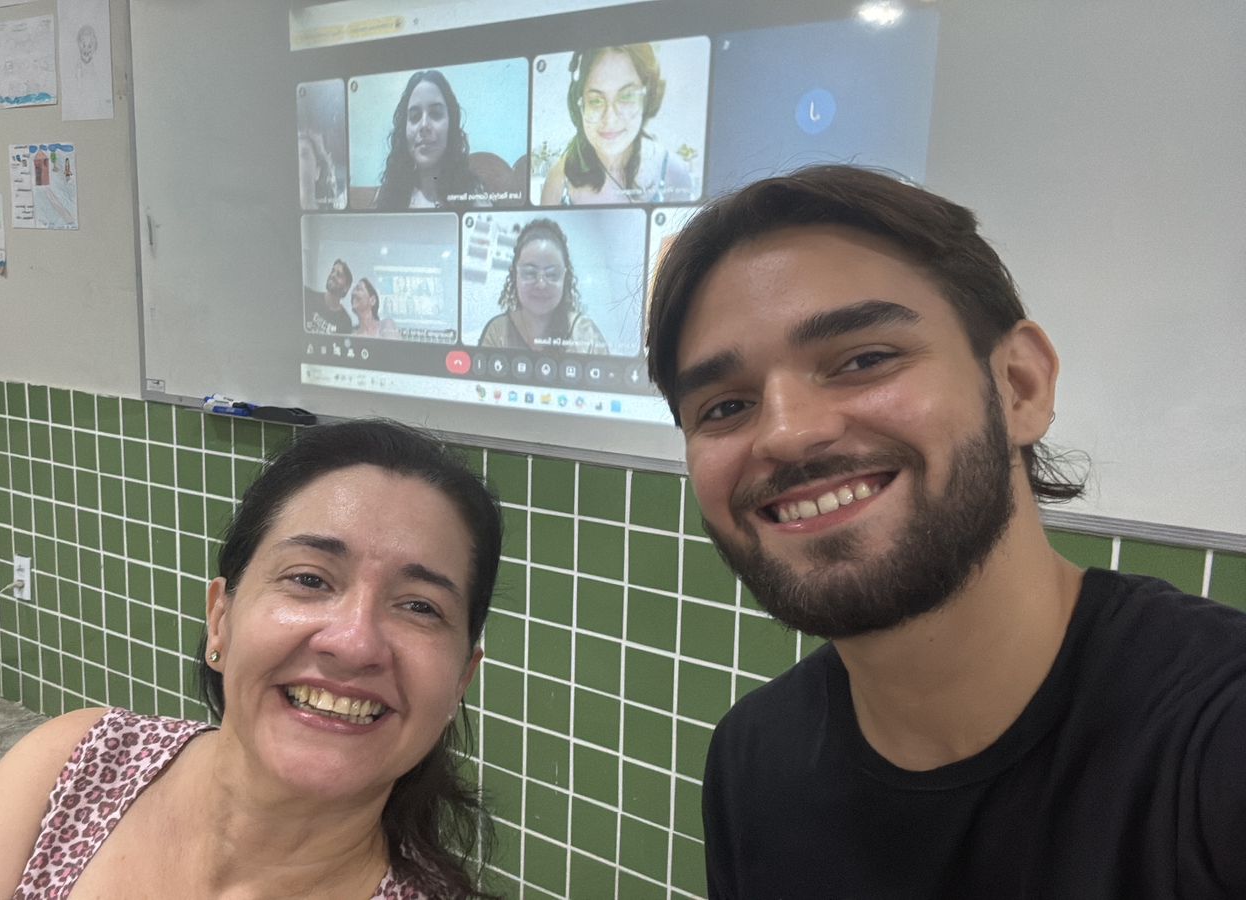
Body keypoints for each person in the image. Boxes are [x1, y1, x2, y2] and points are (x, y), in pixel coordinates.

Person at [644, 164, 1246, 898]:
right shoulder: (754, 759)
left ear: (1020, 385)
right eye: (725, 407)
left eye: (864, 360)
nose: (787, 434)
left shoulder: (1215, 747)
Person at [0, 420, 503, 899]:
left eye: (420, 607)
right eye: (309, 579)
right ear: (221, 617)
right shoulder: (78, 765)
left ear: (459, 682)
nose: (354, 642)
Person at [539, 44, 692, 207]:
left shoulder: (674, 174)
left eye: (626, 96)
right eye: (596, 101)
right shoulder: (558, 177)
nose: (610, 119)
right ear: (579, 104)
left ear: (646, 99)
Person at [477, 218, 608, 355]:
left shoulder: (586, 334)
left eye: (552, 274)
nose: (541, 284)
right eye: (530, 272)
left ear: (564, 277)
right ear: (516, 275)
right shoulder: (498, 331)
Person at [372, 70, 487, 210]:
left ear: (450, 125)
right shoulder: (387, 195)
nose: (424, 125)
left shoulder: (473, 194)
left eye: (436, 114)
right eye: (415, 116)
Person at [305, 258, 355, 335]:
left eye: (339, 274)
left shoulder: (345, 322)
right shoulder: (308, 296)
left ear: (346, 287)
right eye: (332, 271)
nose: (333, 275)